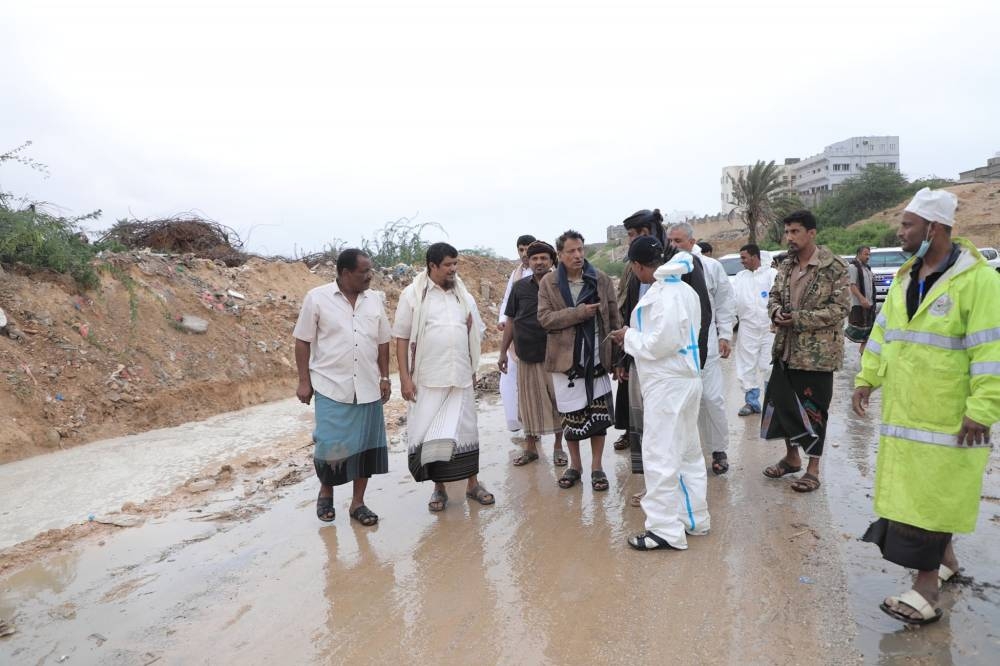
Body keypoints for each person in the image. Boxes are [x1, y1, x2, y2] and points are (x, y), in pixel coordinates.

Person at [852, 188, 1000, 625]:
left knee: (928, 501)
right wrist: (866, 379)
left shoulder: (978, 282)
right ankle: (947, 561)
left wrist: (983, 408)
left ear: (933, 229)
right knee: (919, 497)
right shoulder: (904, 279)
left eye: (907, 225)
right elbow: (883, 335)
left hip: (950, 417)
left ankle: (926, 589)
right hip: (906, 415)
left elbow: (991, 351)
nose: (900, 232)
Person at [610, 242, 709, 551]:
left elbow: (659, 344)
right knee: (688, 454)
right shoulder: (683, 290)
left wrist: (628, 337)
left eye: (633, 267)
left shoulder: (666, 295)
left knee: (661, 456)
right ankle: (694, 519)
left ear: (640, 266)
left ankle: (664, 530)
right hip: (685, 380)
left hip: (669, 385)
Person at [393, 242, 495, 511]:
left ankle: (473, 484)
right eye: (448, 265)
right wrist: (404, 377)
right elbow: (401, 338)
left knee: (465, 431)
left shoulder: (464, 296)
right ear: (432, 266)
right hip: (428, 378)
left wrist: (473, 365)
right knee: (433, 435)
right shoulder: (413, 296)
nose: (453, 269)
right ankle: (438, 489)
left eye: (456, 264)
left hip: (460, 376)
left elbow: (476, 332)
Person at [293, 248, 391, 526]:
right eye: (364, 272)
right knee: (330, 444)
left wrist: (385, 377)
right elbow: (302, 341)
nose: (370, 276)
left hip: (369, 385)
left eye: (371, 271)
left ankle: (358, 503)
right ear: (345, 273)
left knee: (366, 447)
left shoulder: (374, 301)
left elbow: (383, 341)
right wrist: (304, 380)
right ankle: (326, 490)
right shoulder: (317, 298)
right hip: (331, 384)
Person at [761, 210, 849, 492]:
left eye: (795, 232)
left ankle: (813, 469)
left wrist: (798, 319)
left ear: (812, 233)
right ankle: (791, 458)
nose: (789, 237)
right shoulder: (785, 265)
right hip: (786, 350)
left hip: (817, 357)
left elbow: (840, 309)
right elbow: (773, 295)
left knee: (814, 411)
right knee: (784, 407)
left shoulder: (833, 267)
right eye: (787, 232)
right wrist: (775, 312)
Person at [537, 229, 621, 492]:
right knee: (571, 417)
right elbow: (545, 319)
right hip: (565, 363)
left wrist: (617, 359)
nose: (578, 255)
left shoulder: (600, 279)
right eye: (571, 251)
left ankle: (597, 467)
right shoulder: (548, 283)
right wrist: (578, 313)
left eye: (581, 250)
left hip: (597, 357)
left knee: (598, 420)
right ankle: (576, 466)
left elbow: (614, 318)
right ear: (559, 255)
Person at [666, 223, 737, 475]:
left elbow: (725, 302)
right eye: (671, 241)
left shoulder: (710, 267)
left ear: (692, 240)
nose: (674, 246)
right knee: (681, 401)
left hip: (707, 343)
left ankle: (718, 449)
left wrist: (725, 335)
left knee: (711, 398)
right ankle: (685, 454)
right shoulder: (665, 270)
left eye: (679, 241)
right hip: (676, 348)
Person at [499, 240, 567, 467]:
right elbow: (510, 321)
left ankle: (559, 446)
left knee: (558, 401)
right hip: (525, 353)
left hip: (555, 354)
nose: (539, 262)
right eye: (534, 258)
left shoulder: (560, 285)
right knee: (528, 402)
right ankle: (530, 448)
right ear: (528, 261)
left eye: (543, 258)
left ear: (551, 261)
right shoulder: (519, 287)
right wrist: (502, 353)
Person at [613, 209, 667, 454]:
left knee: (663, 428)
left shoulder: (674, 268)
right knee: (640, 415)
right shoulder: (634, 271)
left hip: (665, 362)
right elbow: (627, 313)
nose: (629, 240)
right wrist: (623, 356)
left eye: (632, 234)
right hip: (637, 349)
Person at [497, 234, 537, 433]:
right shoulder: (516, 274)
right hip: (517, 335)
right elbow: (507, 301)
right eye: (520, 249)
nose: (524, 253)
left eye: (528, 249)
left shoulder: (548, 273)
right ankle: (517, 422)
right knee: (510, 380)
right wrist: (502, 321)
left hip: (539, 337)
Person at [733, 243, 777, 416]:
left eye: (744, 257)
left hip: (769, 328)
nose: (741, 261)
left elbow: (780, 298)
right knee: (746, 364)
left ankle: (771, 403)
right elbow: (732, 303)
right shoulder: (740, 277)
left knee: (770, 364)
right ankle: (751, 403)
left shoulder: (771, 275)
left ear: (755, 257)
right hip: (747, 328)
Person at [845, 246, 877, 354]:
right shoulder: (853, 267)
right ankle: (863, 356)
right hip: (859, 306)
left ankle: (864, 355)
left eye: (869, 254)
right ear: (858, 254)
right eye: (865, 254)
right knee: (862, 333)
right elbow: (852, 285)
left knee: (869, 334)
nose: (868, 257)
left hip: (869, 305)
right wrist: (862, 299)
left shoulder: (867, 268)